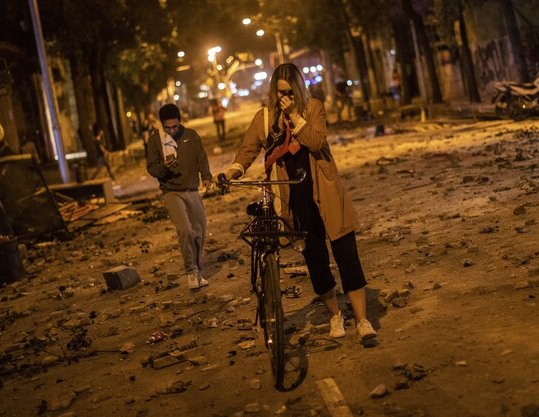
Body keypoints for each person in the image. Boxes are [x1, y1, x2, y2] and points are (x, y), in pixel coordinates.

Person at [221, 63, 377, 342]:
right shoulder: (265, 118)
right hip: (294, 198)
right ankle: (334, 315)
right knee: (316, 260)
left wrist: (294, 115)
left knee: (347, 255)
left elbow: (316, 142)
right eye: (281, 93)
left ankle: (363, 320)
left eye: (290, 92)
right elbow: (247, 150)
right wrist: (234, 170)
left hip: (326, 193)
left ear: (299, 89)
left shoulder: (312, 108)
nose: (285, 98)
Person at [146, 104, 213, 289]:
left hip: (192, 189)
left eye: (175, 127)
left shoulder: (191, 136)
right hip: (171, 191)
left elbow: (201, 158)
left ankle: (197, 270)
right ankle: (191, 271)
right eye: (167, 128)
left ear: (179, 122)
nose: (172, 131)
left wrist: (206, 176)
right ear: (162, 125)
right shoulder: (155, 141)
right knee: (185, 230)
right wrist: (164, 168)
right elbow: (151, 168)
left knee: (199, 231)